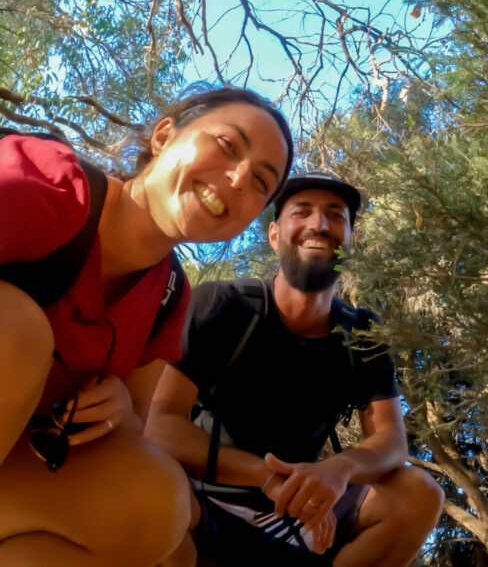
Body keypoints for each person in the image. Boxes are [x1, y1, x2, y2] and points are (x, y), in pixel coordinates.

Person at [0, 87, 294, 567]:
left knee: (160, 504)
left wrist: (119, 407)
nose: (240, 178)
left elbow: (136, 427)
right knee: (15, 330)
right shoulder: (51, 182)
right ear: (163, 136)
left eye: (262, 181)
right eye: (227, 145)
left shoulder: (169, 297)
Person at [147, 172, 445, 567]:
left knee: (419, 495)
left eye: (335, 216)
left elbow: (391, 442)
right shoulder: (223, 305)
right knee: (149, 485)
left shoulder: (362, 335)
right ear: (274, 235)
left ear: (352, 241)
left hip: (300, 520)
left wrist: (339, 470)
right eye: (301, 212)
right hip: (206, 502)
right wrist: (269, 478)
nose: (319, 224)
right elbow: (160, 426)